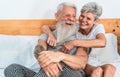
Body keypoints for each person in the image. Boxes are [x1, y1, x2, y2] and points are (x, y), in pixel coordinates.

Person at [4, 2, 88, 77]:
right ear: (56, 16)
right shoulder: (47, 35)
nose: (71, 19)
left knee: (63, 69)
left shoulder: (80, 35)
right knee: (12, 68)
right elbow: (39, 48)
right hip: (48, 69)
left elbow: (81, 63)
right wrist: (48, 63)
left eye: (74, 16)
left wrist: (60, 56)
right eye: (67, 15)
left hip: (70, 70)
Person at [41, 2, 117, 77]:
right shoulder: (74, 25)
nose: (83, 20)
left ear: (95, 21)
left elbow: (102, 42)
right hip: (83, 61)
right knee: (98, 71)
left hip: (95, 60)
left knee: (111, 68)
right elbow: (45, 27)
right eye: (82, 16)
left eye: (88, 18)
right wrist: (50, 35)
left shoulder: (97, 28)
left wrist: (73, 43)